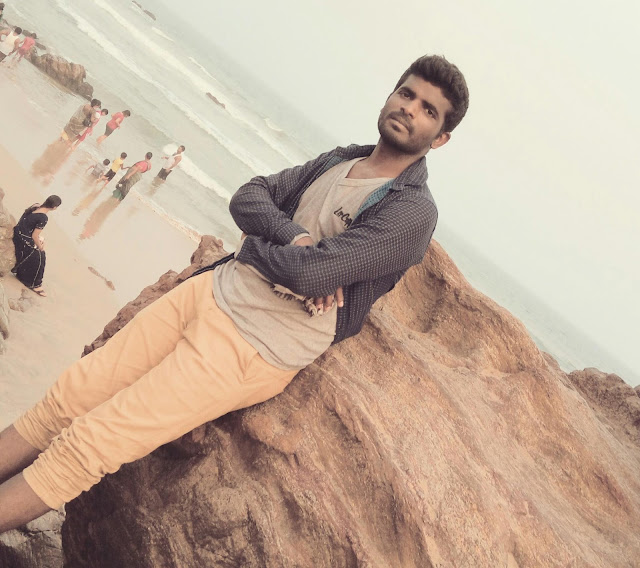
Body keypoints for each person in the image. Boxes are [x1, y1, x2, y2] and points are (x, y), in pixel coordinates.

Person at [0, 55, 469, 531]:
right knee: (64, 400)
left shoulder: (412, 212)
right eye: (407, 94)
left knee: (91, 443)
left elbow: (312, 274)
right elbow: (248, 196)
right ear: (391, 94)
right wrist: (292, 236)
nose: (410, 109)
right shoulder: (341, 159)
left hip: (254, 344)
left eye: (429, 110)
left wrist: (256, 246)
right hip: (211, 290)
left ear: (441, 138)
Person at [9, 195, 62, 298]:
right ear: (54, 207)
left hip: (18, 232)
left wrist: (39, 241)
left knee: (40, 243)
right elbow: (34, 236)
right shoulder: (43, 218)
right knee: (40, 256)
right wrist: (40, 247)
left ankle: (22, 273)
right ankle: (34, 284)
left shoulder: (35, 206)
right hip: (23, 238)